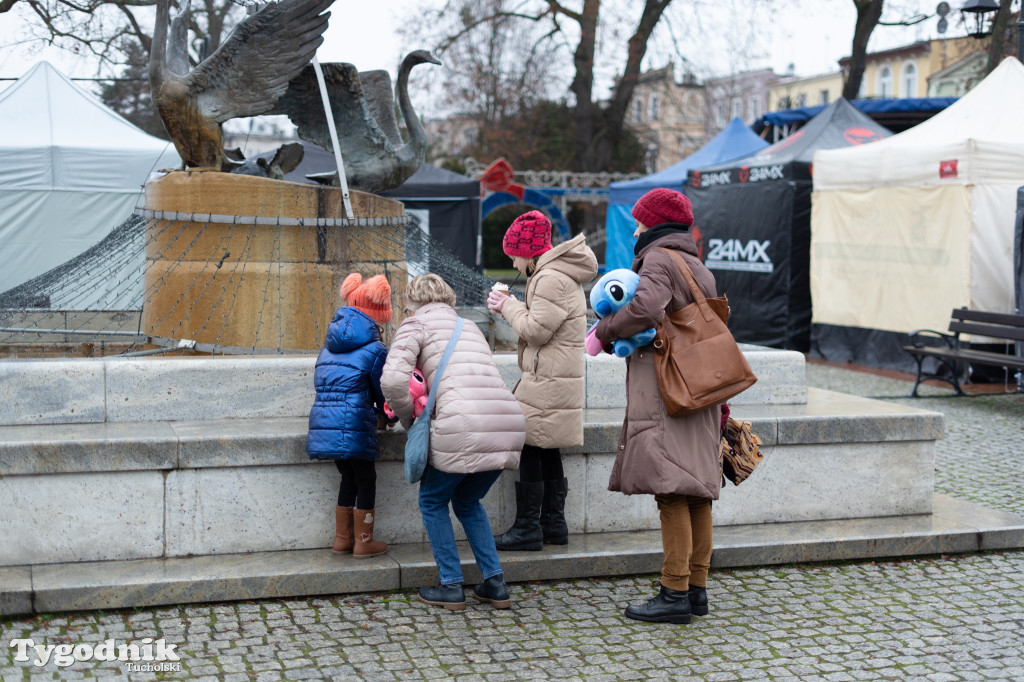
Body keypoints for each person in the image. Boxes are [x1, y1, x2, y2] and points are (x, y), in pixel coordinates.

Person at [594, 188, 721, 625]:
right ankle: (696, 589)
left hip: (669, 391)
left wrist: (606, 329)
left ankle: (673, 592)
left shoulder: (659, 259)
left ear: (656, 223)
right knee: (696, 493)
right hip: (699, 386)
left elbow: (646, 308)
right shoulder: (697, 265)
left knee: (671, 491)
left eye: (640, 221)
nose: (635, 228)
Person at [382, 274, 526, 611]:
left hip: (463, 424)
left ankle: (450, 585)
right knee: (467, 501)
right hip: (506, 423)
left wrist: (409, 420)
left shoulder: (414, 325)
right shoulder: (469, 326)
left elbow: (391, 381)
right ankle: (495, 583)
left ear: (412, 302)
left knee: (432, 501)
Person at [486, 210, 598, 551]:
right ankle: (553, 525)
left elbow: (535, 330)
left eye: (515, 257)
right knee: (547, 449)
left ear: (528, 251)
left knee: (531, 445)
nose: (515, 265)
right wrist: (516, 304)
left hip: (548, 379)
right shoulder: (558, 275)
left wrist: (507, 306)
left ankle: (527, 529)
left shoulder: (550, 278)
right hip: (553, 377)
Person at [305, 272, 392, 559]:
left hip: (324, 424)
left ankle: (342, 539)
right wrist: (389, 417)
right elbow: (383, 392)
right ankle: (363, 541)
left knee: (348, 478)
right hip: (353, 423)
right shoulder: (375, 349)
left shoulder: (328, 347)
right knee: (366, 479)